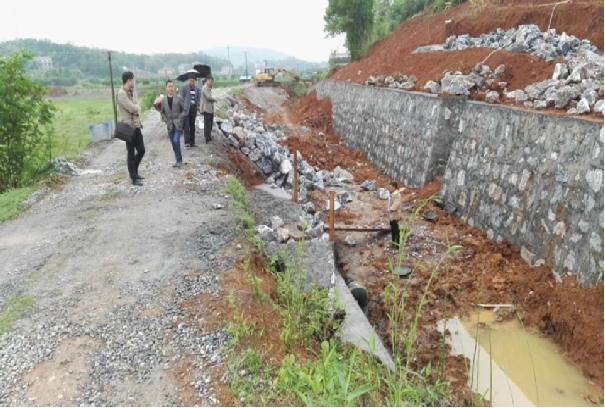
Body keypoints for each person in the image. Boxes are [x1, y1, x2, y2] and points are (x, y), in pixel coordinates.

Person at [117, 71, 145, 186]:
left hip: (136, 126)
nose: (134, 82)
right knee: (131, 152)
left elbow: (135, 107)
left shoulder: (130, 92)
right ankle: (133, 178)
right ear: (128, 80)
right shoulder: (121, 94)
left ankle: (135, 171)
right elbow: (132, 108)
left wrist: (136, 108)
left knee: (142, 150)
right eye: (133, 80)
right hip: (128, 127)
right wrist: (137, 107)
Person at [159, 80, 188, 167]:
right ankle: (178, 160)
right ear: (166, 88)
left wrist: (180, 118)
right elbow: (162, 112)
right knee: (173, 143)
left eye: (172, 86)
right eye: (169, 86)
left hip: (178, 124)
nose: (171, 88)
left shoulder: (178, 98)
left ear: (174, 88)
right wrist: (165, 120)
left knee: (176, 140)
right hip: (169, 125)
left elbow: (185, 110)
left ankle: (179, 161)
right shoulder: (163, 100)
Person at [180, 73, 201, 147]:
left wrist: (197, 105)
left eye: (193, 81)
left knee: (192, 125)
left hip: (193, 109)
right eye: (190, 81)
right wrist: (182, 108)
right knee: (186, 125)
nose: (192, 82)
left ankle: (192, 142)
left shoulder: (197, 89)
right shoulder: (184, 88)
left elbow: (198, 98)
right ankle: (187, 142)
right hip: (186, 109)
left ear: (195, 81)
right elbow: (181, 98)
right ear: (188, 81)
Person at [201, 77, 217, 144]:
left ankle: (209, 137)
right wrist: (215, 99)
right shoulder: (205, 88)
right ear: (207, 81)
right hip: (206, 109)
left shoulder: (208, 88)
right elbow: (208, 97)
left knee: (210, 124)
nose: (211, 83)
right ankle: (207, 138)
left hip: (210, 109)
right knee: (207, 124)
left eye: (212, 82)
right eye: (210, 81)